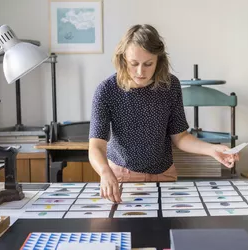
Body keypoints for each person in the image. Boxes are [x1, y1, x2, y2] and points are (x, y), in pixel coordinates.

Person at [88, 24, 239, 203]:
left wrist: (212, 150)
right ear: (123, 59)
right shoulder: (106, 90)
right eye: (133, 63)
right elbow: (96, 146)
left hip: (165, 175)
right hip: (122, 177)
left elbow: (180, 137)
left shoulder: (170, 85)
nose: (140, 72)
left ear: (159, 61)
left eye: (148, 64)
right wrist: (105, 172)